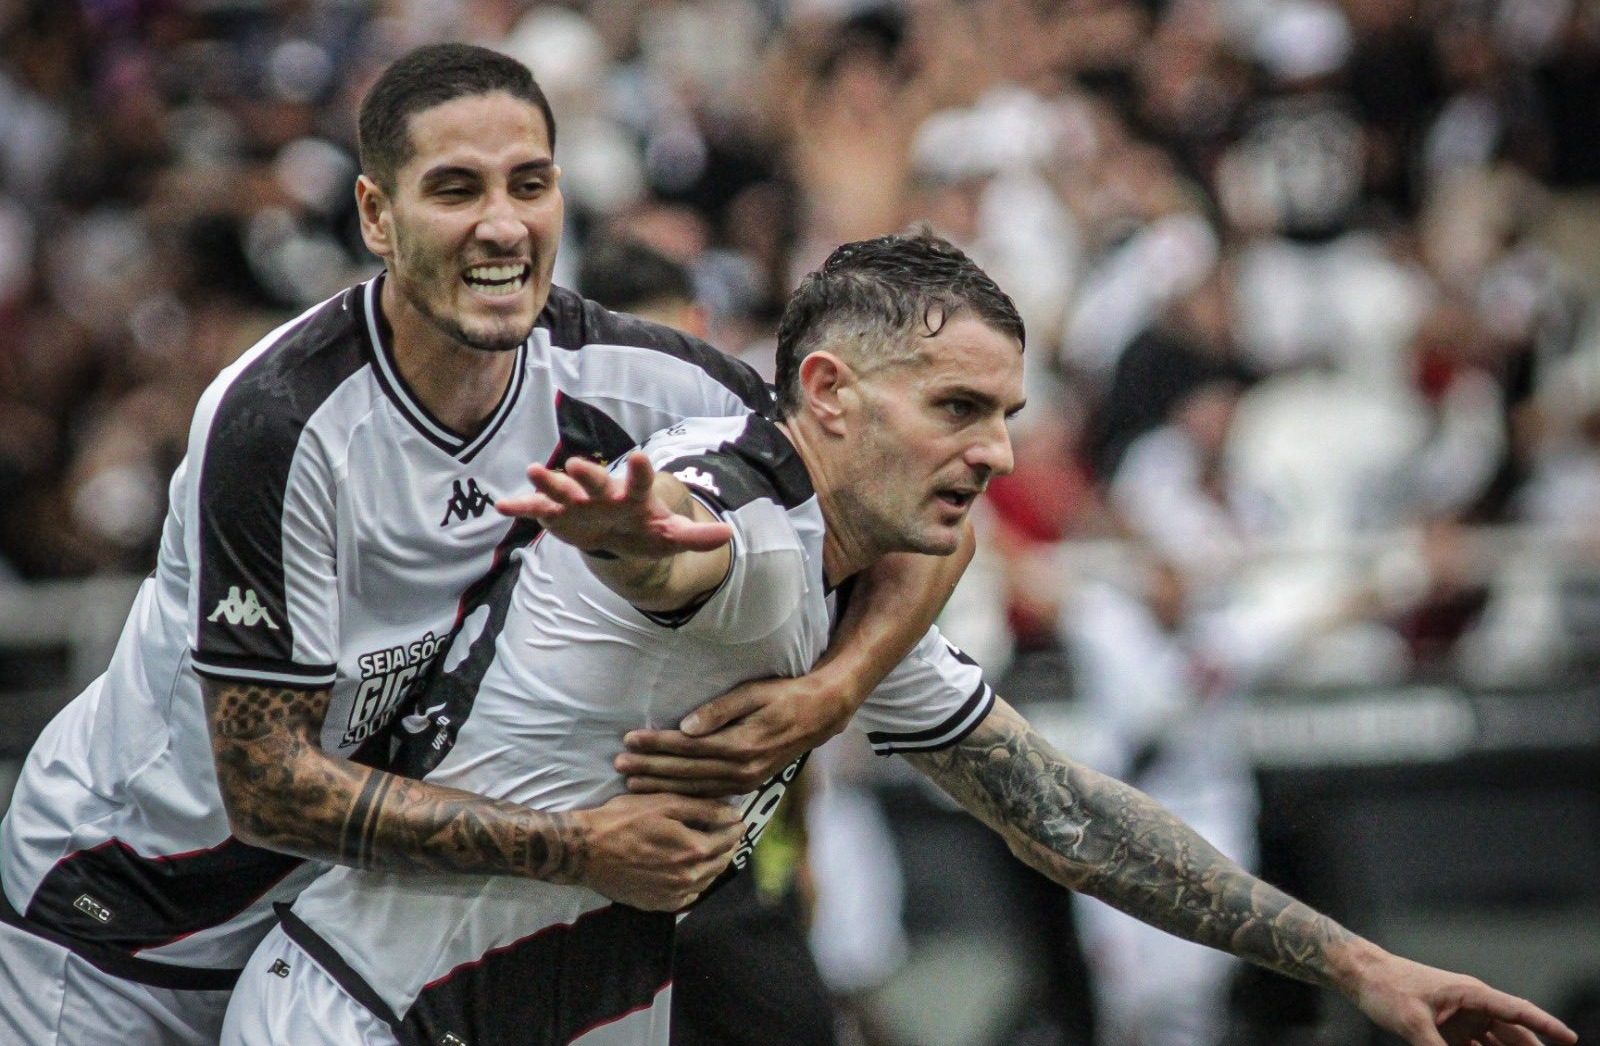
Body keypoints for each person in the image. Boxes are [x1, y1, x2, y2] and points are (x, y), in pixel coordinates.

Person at [222, 231, 1575, 1046]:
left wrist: (1360, 963)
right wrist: (635, 540)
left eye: (1008, 414)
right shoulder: (745, 519)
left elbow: (1061, 812)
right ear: (828, 391)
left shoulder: (854, 577)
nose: (998, 452)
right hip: (364, 1015)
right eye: (959, 409)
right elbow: (694, 545)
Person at [0, 44, 967, 1046]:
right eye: (456, 188)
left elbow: (902, 496)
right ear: (377, 216)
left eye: (530, 184)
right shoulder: (279, 422)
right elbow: (266, 787)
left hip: (317, 932)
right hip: (115, 925)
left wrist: (833, 693)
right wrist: (583, 847)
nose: (503, 223)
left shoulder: (631, 376)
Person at [578, 235, 839, 1046]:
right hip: (582, 879)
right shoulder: (566, 484)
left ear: (700, 327)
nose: (653, 388)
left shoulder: (760, 458)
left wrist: (832, 698)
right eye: (631, 364)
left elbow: (792, 692)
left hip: (730, 873)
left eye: (669, 349)